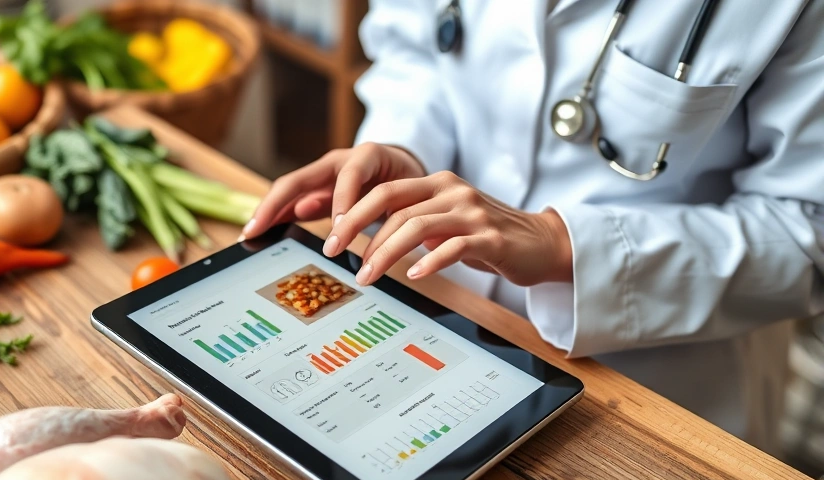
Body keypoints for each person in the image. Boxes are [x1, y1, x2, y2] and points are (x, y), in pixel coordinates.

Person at [241, 0, 824, 448]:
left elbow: (809, 229)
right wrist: (406, 147)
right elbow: (417, 47)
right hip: (436, 304)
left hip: (649, 374)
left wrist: (565, 246)